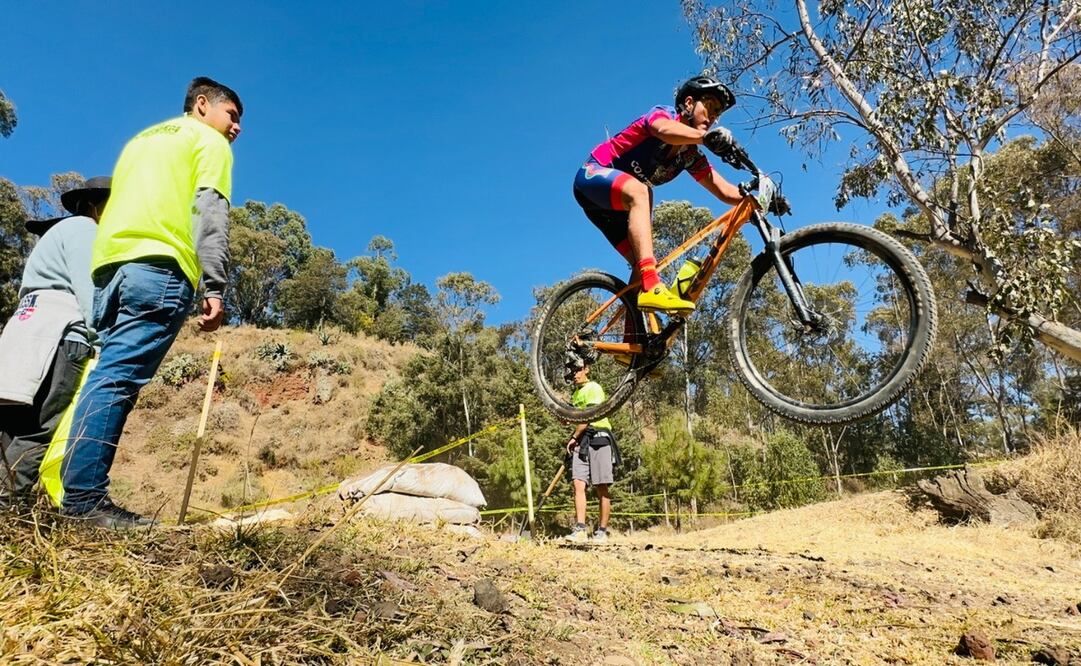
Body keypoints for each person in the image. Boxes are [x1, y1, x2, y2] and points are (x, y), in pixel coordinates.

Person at [60, 77, 242, 529]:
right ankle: (84, 501)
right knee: (117, 380)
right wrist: (215, 286)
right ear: (203, 104)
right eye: (232, 115)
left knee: (104, 375)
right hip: (158, 268)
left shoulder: (140, 142)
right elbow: (209, 213)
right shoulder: (210, 142)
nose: (237, 127)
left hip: (109, 269)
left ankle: (76, 493)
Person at [573, 74, 743, 314]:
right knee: (642, 191)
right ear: (689, 103)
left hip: (613, 210)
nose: (712, 117)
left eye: (717, 114)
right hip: (592, 177)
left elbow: (725, 191)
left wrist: (759, 197)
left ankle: (633, 335)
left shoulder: (689, 155)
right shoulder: (663, 114)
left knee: (642, 266)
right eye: (710, 107)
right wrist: (705, 138)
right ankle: (653, 287)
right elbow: (662, 130)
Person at [0, 177, 110, 510]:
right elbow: (90, 290)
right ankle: (8, 506)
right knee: (39, 428)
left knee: (11, 426)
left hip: (26, 330)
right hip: (61, 335)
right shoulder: (85, 230)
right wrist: (102, 340)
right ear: (93, 205)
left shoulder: (57, 235)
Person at [563, 363, 621, 544]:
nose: (574, 375)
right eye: (572, 372)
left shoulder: (594, 388)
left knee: (601, 486)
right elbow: (571, 418)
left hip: (599, 438)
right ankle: (580, 529)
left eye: (577, 370)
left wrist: (574, 436)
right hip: (582, 441)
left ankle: (601, 532)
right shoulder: (576, 394)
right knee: (578, 483)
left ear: (586, 369)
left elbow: (588, 417)